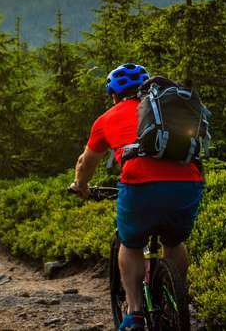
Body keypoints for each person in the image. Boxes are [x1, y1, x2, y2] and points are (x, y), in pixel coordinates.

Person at [68, 63, 204, 331]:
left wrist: (81, 186)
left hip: (141, 186)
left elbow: (86, 162)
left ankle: (135, 312)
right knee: (174, 241)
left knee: (129, 245)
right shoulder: (166, 112)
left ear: (113, 95)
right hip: (188, 184)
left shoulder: (106, 119)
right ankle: (177, 296)